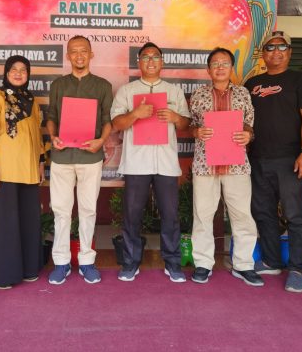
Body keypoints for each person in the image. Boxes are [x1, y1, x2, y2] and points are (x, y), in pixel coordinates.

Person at [111, 42, 191, 283]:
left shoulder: (173, 91)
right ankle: (130, 262)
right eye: (145, 57)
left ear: (162, 61)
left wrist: (175, 117)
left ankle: (173, 263)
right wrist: (135, 114)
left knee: (170, 215)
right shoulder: (127, 91)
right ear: (139, 62)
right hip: (136, 162)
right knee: (132, 215)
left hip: (165, 162)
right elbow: (116, 124)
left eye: (155, 57)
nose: (151, 61)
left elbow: (186, 124)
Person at [244, 31, 302, 293]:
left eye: (282, 47)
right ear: (263, 54)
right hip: (257, 158)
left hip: (290, 159)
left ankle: (297, 269)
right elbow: (244, 120)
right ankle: (272, 261)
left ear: (289, 52)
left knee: (295, 214)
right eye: (270, 48)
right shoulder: (252, 83)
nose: (276, 52)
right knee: (262, 212)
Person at [189, 47, 263, 286]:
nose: (220, 67)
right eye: (215, 63)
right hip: (205, 165)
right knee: (202, 215)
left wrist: (247, 135)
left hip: (236, 165)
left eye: (225, 63)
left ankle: (243, 265)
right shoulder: (198, 94)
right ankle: (203, 263)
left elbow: (249, 124)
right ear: (208, 69)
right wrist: (197, 132)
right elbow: (191, 125)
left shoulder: (242, 93)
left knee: (241, 215)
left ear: (231, 68)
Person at [46, 35, 113, 285]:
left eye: (83, 50)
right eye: (74, 51)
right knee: (61, 211)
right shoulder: (58, 85)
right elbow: (51, 116)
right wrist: (53, 136)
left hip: (90, 156)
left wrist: (101, 140)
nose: (79, 55)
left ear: (91, 54)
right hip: (62, 156)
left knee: (88, 210)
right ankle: (61, 262)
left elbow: (107, 120)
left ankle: (86, 261)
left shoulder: (103, 86)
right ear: (68, 56)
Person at [0, 55, 45, 289]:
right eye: (14, 69)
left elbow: (37, 134)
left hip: (28, 169)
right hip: (4, 169)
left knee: (28, 221)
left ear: (28, 74)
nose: (18, 73)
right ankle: (4, 274)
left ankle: (28, 269)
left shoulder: (32, 100)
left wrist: (41, 162)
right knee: (6, 223)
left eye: (23, 70)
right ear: (6, 73)